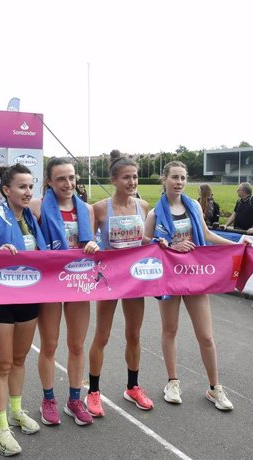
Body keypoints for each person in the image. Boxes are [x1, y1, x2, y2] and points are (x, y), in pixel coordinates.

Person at [145, 161, 248, 411]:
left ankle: (215, 388)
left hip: (194, 275)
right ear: (164, 180)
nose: (179, 182)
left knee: (206, 335)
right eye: (174, 177)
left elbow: (207, 235)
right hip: (169, 277)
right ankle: (172, 382)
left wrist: (236, 246)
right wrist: (166, 244)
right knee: (170, 330)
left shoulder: (193, 206)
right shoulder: (155, 213)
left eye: (183, 178)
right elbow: (145, 240)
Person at [0, 164, 46, 456]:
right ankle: (0, 427)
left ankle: (17, 411)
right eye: (21, 186)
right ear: (6, 190)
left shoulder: (33, 218)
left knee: (20, 359)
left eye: (30, 186)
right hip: (0, 302)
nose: (28, 191)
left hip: (29, 298)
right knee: (2, 364)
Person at [86, 151, 153, 418]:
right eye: (126, 177)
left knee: (134, 335)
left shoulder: (144, 206)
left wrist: (157, 243)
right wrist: (90, 244)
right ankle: (93, 391)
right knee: (102, 335)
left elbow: (143, 239)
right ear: (114, 180)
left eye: (135, 177)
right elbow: (87, 240)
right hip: (109, 279)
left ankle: (132, 387)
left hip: (135, 279)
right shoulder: (100, 208)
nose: (132, 182)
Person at [34, 157, 99, 426]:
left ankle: (75, 399)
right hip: (49, 283)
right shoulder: (37, 207)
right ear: (49, 181)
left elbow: (92, 242)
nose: (68, 183)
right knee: (49, 345)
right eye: (61, 178)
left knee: (77, 344)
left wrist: (94, 245)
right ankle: (48, 399)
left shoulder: (86, 209)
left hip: (78, 282)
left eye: (71, 177)